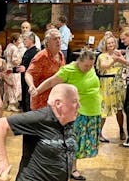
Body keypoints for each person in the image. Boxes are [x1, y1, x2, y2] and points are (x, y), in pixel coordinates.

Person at [34, 50, 101, 180]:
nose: (89, 68)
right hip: (78, 112)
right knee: (73, 141)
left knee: (81, 143)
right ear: (79, 61)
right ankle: (71, 169)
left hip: (93, 110)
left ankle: (71, 167)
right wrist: (37, 91)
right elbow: (51, 82)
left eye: (91, 66)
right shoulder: (68, 70)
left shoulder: (90, 69)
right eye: (86, 65)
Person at [0, 84, 79, 181]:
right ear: (58, 103)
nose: (79, 105)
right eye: (75, 101)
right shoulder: (40, 117)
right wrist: (2, 160)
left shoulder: (68, 122)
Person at [25, 29, 65, 110]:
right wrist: (31, 85)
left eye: (59, 38)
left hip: (56, 100)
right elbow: (28, 73)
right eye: (55, 39)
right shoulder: (42, 56)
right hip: (41, 101)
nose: (58, 41)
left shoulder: (61, 55)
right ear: (47, 43)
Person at [96, 36, 126, 142]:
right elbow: (104, 66)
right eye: (109, 43)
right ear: (105, 45)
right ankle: (99, 133)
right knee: (104, 110)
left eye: (113, 42)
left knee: (119, 109)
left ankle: (122, 130)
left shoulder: (118, 54)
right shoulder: (102, 56)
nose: (111, 45)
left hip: (118, 84)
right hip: (106, 84)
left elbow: (125, 64)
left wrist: (120, 57)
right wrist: (115, 60)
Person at [19, 32, 39, 112]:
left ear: (31, 40)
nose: (23, 41)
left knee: (28, 101)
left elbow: (37, 67)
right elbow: (23, 65)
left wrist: (26, 68)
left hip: (30, 81)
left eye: (25, 39)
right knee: (24, 99)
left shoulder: (36, 52)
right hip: (23, 79)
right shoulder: (27, 51)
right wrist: (13, 70)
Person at [4, 33, 22, 112]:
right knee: (14, 86)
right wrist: (21, 61)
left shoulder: (8, 46)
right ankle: (12, 104)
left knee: (9, 87)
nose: (20, 41)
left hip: (8, 67)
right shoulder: (14, 48)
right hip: (13, 69)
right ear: (15, 41)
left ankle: (8, 104)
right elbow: (14, 61)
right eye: (19, 39)